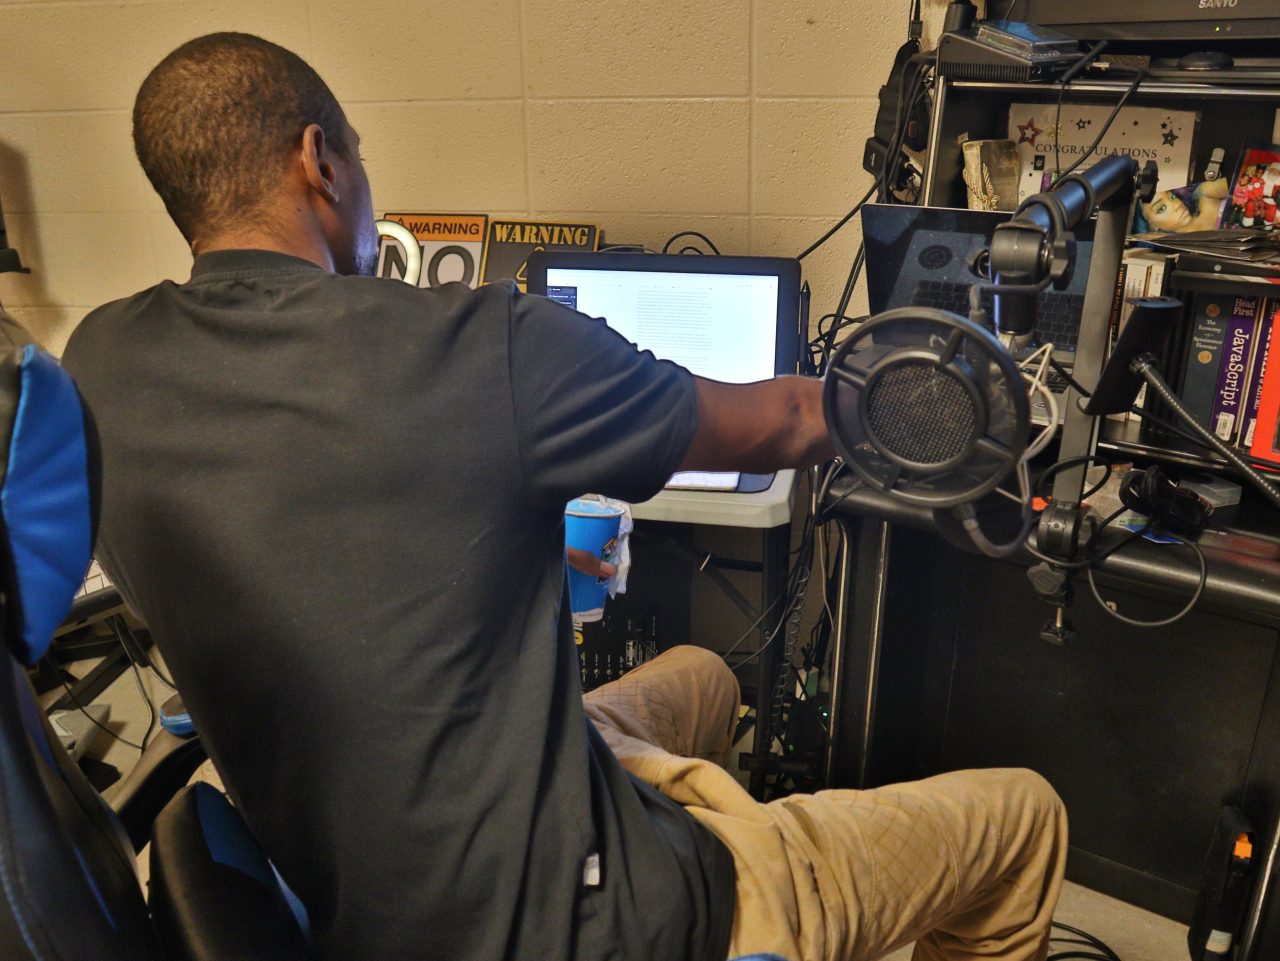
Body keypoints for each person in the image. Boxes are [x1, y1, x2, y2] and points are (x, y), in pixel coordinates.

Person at [63, 33, 1067, 961]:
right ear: (319, 160)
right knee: (1021, 818)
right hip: (570, 925)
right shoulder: (480, 345)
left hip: (365, 899)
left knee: (702, 675)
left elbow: (312, 541)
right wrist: (980, 407)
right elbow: (788, 422)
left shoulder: (99, 363)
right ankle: (731, 901)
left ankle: (690, 831)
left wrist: (526, 553)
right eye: (359, 161)